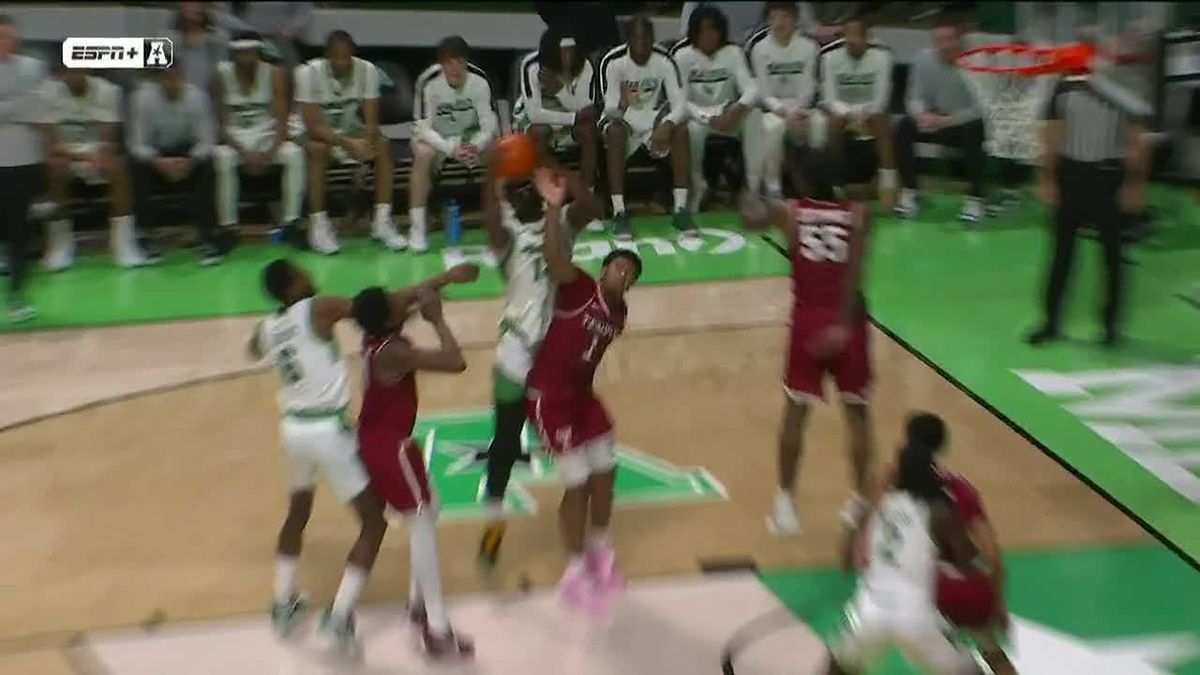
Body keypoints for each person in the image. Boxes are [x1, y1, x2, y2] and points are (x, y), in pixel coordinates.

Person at [251, 258, 477, 658]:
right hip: (336, 432)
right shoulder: (320, 309)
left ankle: (283, 602)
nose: (310, 275)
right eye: (301, 273)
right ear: (292, 284)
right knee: (378, 523)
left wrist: (441, 283)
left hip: (294, 429)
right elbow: (392, 313)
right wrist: (439, 303)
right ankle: (359, 618)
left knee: (299, 512)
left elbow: (253, 349)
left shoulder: (274, 326)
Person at [475, 160, 603, 569]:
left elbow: (592, 206)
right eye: (515, 190)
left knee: (569, 441)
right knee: (506, 441)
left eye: (527, 186)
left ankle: (580, 532)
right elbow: (491, 220)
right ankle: (493, 522)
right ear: (509, 200)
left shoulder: (561, 222)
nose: (524, 193)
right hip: (516, 348)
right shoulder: (506, 236)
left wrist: (556, 170)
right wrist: (491, 177)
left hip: (557, 351)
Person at [738, 149, 873, 536]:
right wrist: (843, 325)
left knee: (795, 414)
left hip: (808, 322)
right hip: (850, 322)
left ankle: (786, 506)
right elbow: (855, 273)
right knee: (857, 416)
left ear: (802, 180)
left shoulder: (790, 211)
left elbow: (748, 218)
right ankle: (861, 503)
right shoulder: (860, 214)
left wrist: (749, 186)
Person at [526, 168, 642, 612]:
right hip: (549, 398)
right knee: (576, 484)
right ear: (604, 268)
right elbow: (554, 257)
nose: (624, 275)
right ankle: (574, 570)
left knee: (606, 471)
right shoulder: (578, 288)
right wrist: (553, 208)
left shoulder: (619, 314)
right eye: (620, 267)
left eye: (631, 274)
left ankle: (600, 548)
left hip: (582, 398)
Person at [352, 281, 479, 660]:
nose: (401, 299)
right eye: (394, 301)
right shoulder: (394, 352)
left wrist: (446, 279)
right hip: (391, 449)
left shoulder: (375, 338)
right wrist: (437, 319)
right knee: (421, 523)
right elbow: (455, 361)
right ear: (388, 318)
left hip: (381, 443)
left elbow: (406, 300)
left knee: (429, 510)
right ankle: (436, 628)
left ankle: (418, 605)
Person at [826, 421, 986, 674]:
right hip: (916, 616)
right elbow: (969, 560)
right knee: (969, 671)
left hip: (870, 611)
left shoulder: (880, 503)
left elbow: (846, 561)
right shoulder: (938, 510)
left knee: (837, 668)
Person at [1027, 64, 1149, 348]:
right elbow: (1052, 134)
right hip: (1071, 175)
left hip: (1109, 176)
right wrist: (1047, 178)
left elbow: (1137, 138)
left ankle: (1110, 327)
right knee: (1061, 254)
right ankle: (1051, 322)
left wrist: (1134, 185)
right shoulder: (1064, 86)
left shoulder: (1123, 87)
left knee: (1112, 256)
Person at [295, 30, 400, 255]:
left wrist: (365, 147)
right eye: (336, 57)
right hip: (312, 133)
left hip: (349, 131)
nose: (342, 62)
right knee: (318, 149)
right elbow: (312, 125)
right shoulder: (307, 73)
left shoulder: (367, 70)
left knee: (383, 145)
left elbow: (371, 122)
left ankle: (381, 222)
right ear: (327, 56)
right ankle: (318, 226)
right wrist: (348, 144)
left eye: (346, 57)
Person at [41, 60, 148, 271]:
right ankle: (60, 245)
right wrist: (78, 156)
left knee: (118, 167)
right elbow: (52, 142)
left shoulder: (108, 91)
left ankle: (123, 243)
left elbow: (109, 138)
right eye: (70, 71)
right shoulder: (46, 93)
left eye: (79, 69)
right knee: (55, 167)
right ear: (61, 73)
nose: (75, 74)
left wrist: (99, 154)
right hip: (66, 154)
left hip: (97, 152)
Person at [599, 15, 693, 240]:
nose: (641, 43)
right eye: (636, 38)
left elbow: (680, 105)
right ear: (628, 39)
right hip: (622, 121)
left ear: (653, 38)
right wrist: (621, 106)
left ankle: (680, 209)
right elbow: (609, 108)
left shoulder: (664, 60)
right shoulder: (613, 62)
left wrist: (667, 124)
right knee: (615, 131)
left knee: (681, 129)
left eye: (646, 37)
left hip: (652, 122)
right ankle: (619, 212)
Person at [409, 36, 498, 253]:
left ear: (466, 61)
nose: (455, 68)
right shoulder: (428, 81)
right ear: (441, 63)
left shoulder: (480, 81)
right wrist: (450, 148)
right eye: (449, 62)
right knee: (423, 153)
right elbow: (423, 128)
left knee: (498, 150)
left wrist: (474, 145)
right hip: (438, 139)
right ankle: (417, 228)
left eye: (460, 62)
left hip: (469, 139)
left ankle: (500, 219)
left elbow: (489, 125)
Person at [128, 63, 224, 265]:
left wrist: (191, 161)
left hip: (187, 154)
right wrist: (158, 162)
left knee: (209, 164)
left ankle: (208, 235)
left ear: (181, 76)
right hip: (156, 155)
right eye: (165, 77)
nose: (171, 82)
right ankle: (145, 235)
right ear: (157, 79)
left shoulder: (197, 97)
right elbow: (137, 144)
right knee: (136, 167)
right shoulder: (142, 98)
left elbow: (206, 140)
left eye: (174, 76)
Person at [894, 16, 987, 223]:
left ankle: (975, 199)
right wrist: (922, 115)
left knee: (975, 130)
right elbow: (914, 97)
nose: (944, 46)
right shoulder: (923, 59)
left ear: (960, 40)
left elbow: (982, 108)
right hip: (934, 120)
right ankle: (910, 192)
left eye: (949, 40)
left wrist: (949, 121)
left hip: (963, 123)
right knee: (904, 126)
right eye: (939, 41)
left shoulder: (977, 62)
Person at [212, 31, 305, 237]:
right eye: (241, 53)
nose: (246, 57)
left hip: (266, 137)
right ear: (234, 54)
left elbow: (282, 119)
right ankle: (228, 226)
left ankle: (291, 222)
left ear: (258, 52)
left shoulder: (274, 73)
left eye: (250, 52)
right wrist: (244, 153)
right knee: (222, 158)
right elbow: (221, 123)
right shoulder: (221, 74)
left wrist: (271, 151)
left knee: (295, 154)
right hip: (236, 140)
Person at [671, 3, 757, 212]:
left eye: (713, 29)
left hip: (729, 116)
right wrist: (705, 117)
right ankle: (697, 185)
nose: (708, 35)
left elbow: (751, 89)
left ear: (721, 31)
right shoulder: (682, 56)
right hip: (697, 117)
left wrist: (735, 110)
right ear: (694, 33)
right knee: (689, 131)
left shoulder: (734, 53)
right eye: (702, 30)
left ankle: (753, 186)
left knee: (757, 118)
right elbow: (680, 100)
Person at [744, 2, 822, 199]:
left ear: (795, 19)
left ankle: (820, 184)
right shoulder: (759, 49)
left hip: (802, 108)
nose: (779, 22)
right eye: (774, 18)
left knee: (821, 125)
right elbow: (762, 92)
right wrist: (784, 112)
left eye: (785, 17)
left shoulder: (809, 47)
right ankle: (773, 187)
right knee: (772, 128)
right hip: (773, 109)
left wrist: (799, 110)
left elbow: (810, 85)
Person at [0, 14, 48, 322]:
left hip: (24, 159)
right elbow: (25, 106)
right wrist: (18, 106)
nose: (5, 42)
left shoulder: (33, 67)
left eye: (8, 36)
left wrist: (8, 108)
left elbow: (38, 109)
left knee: (20, 231)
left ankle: (17, 296)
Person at [821, 17, 897, 208]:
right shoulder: (830, 58)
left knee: (880, 120)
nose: (852, 41)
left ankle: (888, 181)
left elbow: (881, 98)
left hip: (871, 111)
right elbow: (829, 98)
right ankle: (834, 183)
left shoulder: (882, 58)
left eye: (856, 36)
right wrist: (852, 114)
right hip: (843, 111)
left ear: (867, 37)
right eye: (848, 36)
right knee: (834, 121)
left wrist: (866, 113)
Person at [513, 25, 598, 191]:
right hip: (538, 120)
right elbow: (534, 114)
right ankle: (572, 184)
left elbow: (585, 109)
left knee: (589, 131)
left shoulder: (585, 66)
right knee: (538, 133)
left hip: (569, 118)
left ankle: (588, 188)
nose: (568, 57)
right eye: (563, 52)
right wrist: (574, 117)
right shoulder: (531, 65)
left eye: (572, 51)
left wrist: (559, 91)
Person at [168, 1, 228, 93]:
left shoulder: (218, 40)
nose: (194, 6)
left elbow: (223, 78)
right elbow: (154, 78)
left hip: (207, 97)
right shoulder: (164, 38)